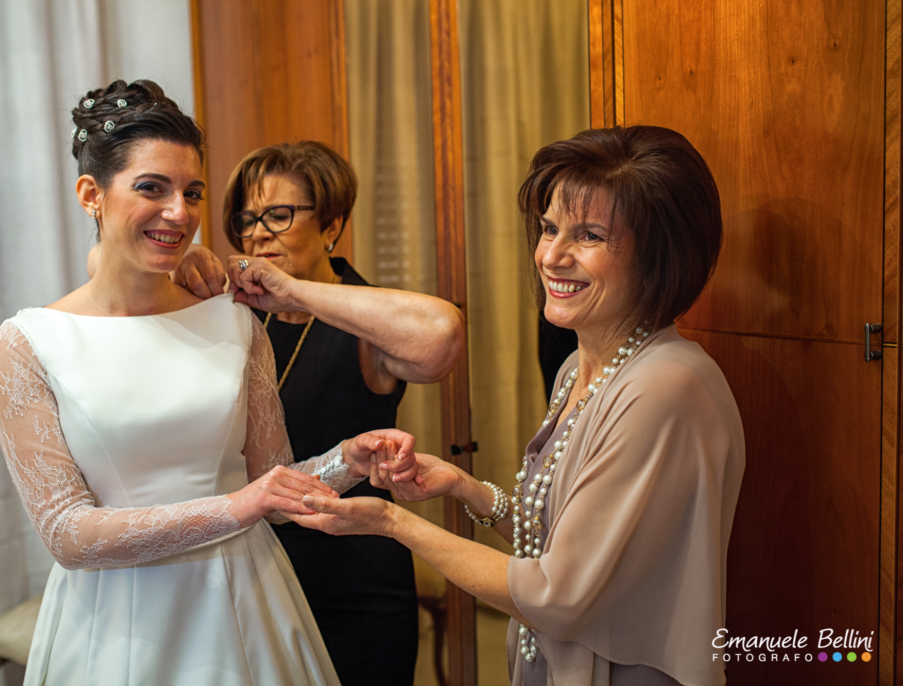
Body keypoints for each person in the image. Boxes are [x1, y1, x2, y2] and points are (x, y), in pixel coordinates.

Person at [0, 79, 418, 686]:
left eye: (191, 193)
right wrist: (239, 505)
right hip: (119, 618)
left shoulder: (234, 323)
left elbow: (276, 485)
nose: (179, 213)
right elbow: (67, 534)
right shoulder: (27, 344)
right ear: (91, 194)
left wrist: (346, 460)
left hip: (245, 598)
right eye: (152, 188)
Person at [288, 126, 746, 686]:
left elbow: (557, 594)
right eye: (549, 228)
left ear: (659, 254)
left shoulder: (665, 387)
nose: (551, 256)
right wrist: (463, 487)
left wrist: (392, 522)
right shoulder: (578, 368)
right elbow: (557, 542)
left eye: (590, 236)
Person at [165, 141, 465, 686]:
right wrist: (183, 267)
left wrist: (297, 292)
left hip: (354, 585)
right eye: (248, 220)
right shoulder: (239, 317)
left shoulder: (365, 319)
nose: (259, 234)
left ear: (331, 225)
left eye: (279, 215)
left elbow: (440, 336)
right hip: (256, 572)